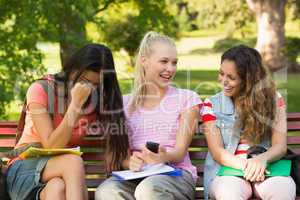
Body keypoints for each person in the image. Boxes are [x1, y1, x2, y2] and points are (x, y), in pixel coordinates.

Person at [6, 44, 129, 200]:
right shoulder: (41, 89)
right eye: (84, 81)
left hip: (61, 179)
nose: (89, 89)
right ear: (72, 69)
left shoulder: (97, 100)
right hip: (24, 171)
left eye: (96, 85)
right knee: (73, 162)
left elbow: (115, 154)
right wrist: (75, 106)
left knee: (57, 188)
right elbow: (52, 146)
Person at [95, 31, 201, 200]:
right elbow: (117, 155)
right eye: (164, 62)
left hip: (175, 176)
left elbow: (179, 153)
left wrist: (163, 156)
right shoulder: (124, 104)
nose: (170, 69)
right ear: (144, 61)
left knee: (148, 190)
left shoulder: (187, 99)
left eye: (174, 63)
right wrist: (129, 162)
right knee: (107, 191)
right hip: (135, 176)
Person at [201, 45, 296, 200]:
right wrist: (249, 166)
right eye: (221, 74)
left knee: (283, 191)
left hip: (267, 168)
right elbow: (217, 152)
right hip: (228, 172)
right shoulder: (211, 104)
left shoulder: (274, 100)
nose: (223, 81)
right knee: (228, 193)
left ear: (249, 80)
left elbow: (280, 146)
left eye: (231, 77)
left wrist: (261, 160)